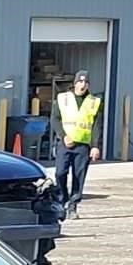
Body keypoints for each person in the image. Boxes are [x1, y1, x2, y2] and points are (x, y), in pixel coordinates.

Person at [53, 70, 102, 215]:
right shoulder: (63, 98)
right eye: (80, 82)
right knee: (60, 173)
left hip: (83, 145)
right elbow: (55, 119)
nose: (83, 85)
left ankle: (73, 204)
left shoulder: (94, 102)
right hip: (65, 143)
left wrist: (95, 146)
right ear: (74, 83)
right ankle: (63, 198)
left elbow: (96, 125)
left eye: (86, 82)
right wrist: (63, 136)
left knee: (79, 176)